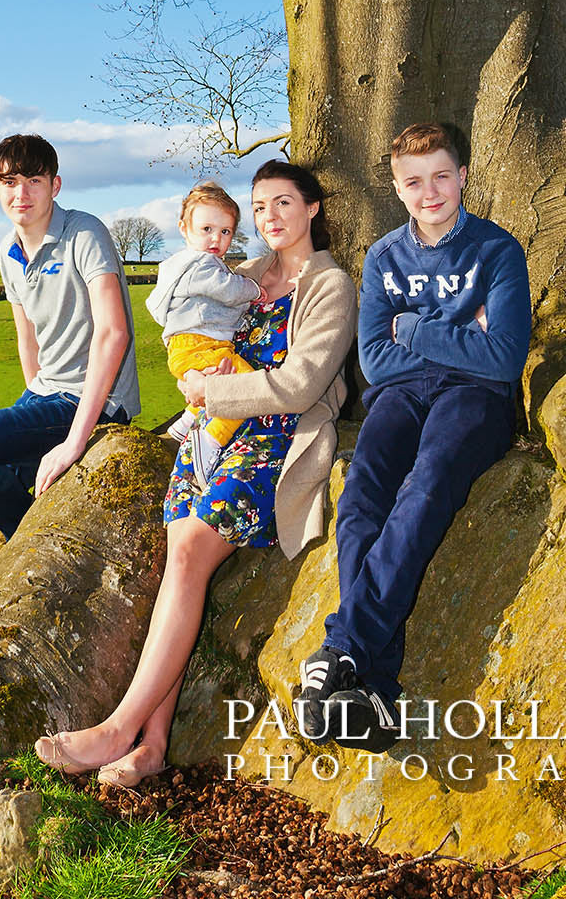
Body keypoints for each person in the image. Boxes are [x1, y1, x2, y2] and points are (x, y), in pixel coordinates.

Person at [35, 160, 357, 786]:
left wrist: (217, 395)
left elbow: (301, 385)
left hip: (274, 440)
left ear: (312, 209)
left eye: (283, 203)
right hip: (210, 434)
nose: (270, 218)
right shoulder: (240, 275)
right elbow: (185, 331)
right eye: (260, 207)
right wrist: (188, 380)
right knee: (177, 558)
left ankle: (118, 728)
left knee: (186, 556)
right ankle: (152, 747)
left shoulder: (331, 285)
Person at [297, 122, 530, 749]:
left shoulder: (497, 251)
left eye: (441, 177)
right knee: (363, 496)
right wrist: (461, 337)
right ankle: (371, 693)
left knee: (425, 486)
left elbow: (504, 359)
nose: (430, 193)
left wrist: (417, 331)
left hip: (475, 400)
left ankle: (344, 650)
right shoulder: (384, 257)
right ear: (397, 188)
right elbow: (373, 360)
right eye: (413, 182)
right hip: (399, 396)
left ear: (462, 176)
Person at [0, 133, 140, 626]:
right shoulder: (7, 251)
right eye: (9, 182)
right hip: (43, 396)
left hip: (93, 399)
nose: (22, 193)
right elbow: (26, 340)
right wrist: (29, 405)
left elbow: (113, 334)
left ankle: (29, 539)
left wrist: (76, 440)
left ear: (55, 185)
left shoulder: (84, 233)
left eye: (34, 180)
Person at [147, 181, 265, 487]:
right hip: (199, 343)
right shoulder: (201, 264)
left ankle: (186, 422)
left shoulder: (182, 265)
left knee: (222, 380)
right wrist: (253, 289)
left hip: (187, 346)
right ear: (184, 229)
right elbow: (227, 290)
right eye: (207, 229)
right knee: (244, 384)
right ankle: (209, 441)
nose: (217, 239)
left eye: (225, 231)